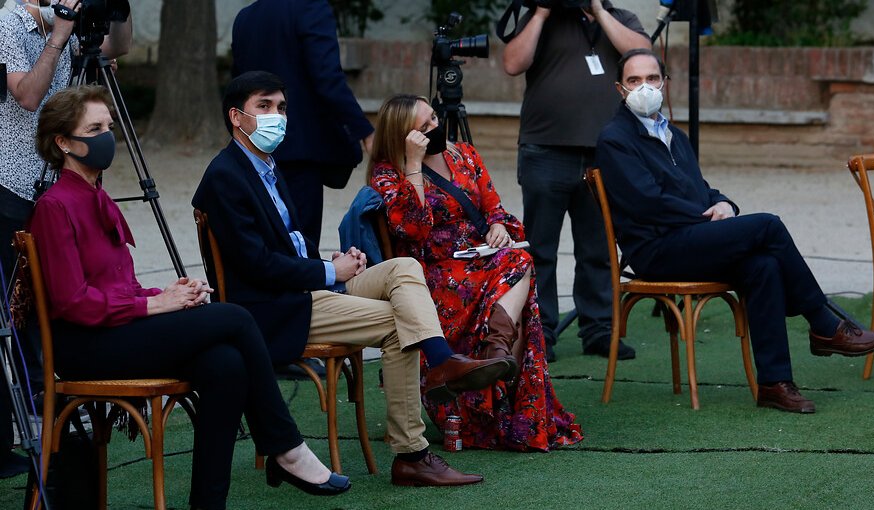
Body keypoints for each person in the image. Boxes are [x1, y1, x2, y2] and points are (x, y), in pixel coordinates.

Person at [29, 85, 349, 509]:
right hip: (86, 346)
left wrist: (167, 293)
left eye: (109, 126)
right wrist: (152, 305)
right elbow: (72, 302)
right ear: (63, 142)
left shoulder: (97, 195)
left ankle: (208, 504)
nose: (107, 136)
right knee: (234, 318)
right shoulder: (55, 206)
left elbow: (115, 285)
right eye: (94, 129)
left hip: (119, 330)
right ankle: (286, 448)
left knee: (226, 364)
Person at [192, 71, 510, 486]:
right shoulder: (226, 175)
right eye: (264, 107)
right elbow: (257, 265)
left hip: (305, 286)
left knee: (404, 268)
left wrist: (333, 261)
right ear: (237, 117)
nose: (277, 116)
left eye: (282, 107)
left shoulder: (266, 165)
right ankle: (412, 453)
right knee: (401, 326)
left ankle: (440, 363)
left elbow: (286, 247)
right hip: (274, 307)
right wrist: (328, 271)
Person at [594, 49, 874, 413]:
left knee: (763, 265)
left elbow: (700, 189)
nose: (645, 87)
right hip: (657, 251)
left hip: (690, 240)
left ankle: (774, 384)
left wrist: (724, 205)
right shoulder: (615, 139)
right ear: (621, 89)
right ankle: (823, 322)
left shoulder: (675, 135)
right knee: (768, 225)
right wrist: (706, 218)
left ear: (665, 83)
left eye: (652, 79)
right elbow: (648, 202)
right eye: (635, 81)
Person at [368, 94, 584, 451]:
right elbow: (413, 229)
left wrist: (498, 228)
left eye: (434, 119)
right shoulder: (389, 173)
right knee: (515, 272)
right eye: (423, 127)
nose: (435, 128)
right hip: (434, 274)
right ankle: (495, 363)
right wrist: (414, 164)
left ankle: (494, 352)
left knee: (517, 262)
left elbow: (493, 207)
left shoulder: (464, 154)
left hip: (481, 257)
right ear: (403, 135)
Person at [0, 0, 131, 477]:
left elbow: (118, 46)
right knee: (16, 310)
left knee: (55, 299)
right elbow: (29, 96)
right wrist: (60, 32)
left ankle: (53, 402)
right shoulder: (10, 20)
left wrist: (118, 7)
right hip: (11, 186)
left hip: (58, 185)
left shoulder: (70, 19)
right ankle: (29, 416)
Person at [502, 0, 649, 361]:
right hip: (545, 150)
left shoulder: (620, 18)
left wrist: (599, 12)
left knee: (599, 249)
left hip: (605, 155)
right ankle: (541, 332)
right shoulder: (543, 16)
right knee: (539, 249)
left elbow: (641, 53)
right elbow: (512, 63)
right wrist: (539, 14)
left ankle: (599, 330)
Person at [231, 0, 374, 245]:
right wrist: (365, 131)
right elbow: (327, 77)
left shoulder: (245, 17)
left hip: (255, 143)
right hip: (300, 147)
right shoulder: (311, 8)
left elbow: (238, 86)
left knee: (266, 237)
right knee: (301, 243)